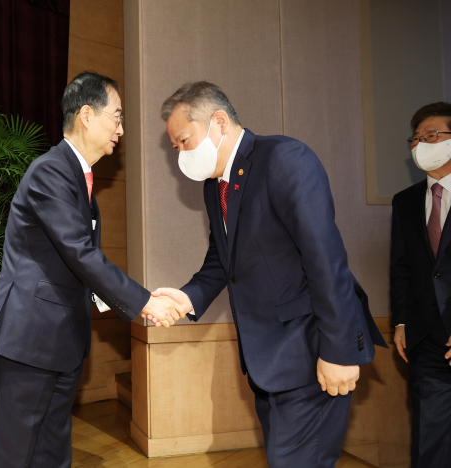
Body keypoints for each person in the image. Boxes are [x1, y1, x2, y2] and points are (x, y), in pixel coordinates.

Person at [145, 81, 386, 468]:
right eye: (175, 147)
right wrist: (188, 296)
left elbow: (325, 259)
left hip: (312, 353)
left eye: (184, 141)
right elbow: (222, 258)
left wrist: (339, 352)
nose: (181, 155)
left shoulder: (284, 159)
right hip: (268, 362)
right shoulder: (215, 188)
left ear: (218, 122)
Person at [0, 71, 185, 468]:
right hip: (28, 341)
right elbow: (81, 254)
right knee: (13, 456)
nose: (121, 131)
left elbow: (76, 263)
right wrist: (143, 301)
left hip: (60, 342)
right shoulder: (50, 172)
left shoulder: (79, 179)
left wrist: (126, 299)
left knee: (51, 455)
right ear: (87, 115)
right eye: (118, 118)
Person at [391, 102, 451, 468]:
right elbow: (400, 267)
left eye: (432, 135)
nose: (422, 144)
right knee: (430, 441)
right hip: (425, 338)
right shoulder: (405, 202)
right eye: (415, 139)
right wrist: (400, 321)